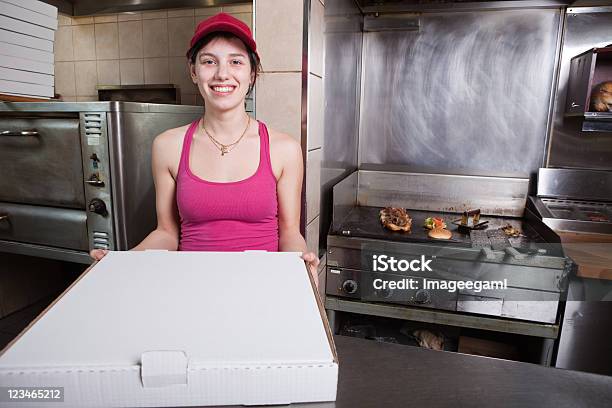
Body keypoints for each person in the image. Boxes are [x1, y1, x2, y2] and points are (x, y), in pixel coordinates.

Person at [90, 13, 320, 285]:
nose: (222, 73)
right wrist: (122, 261)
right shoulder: (168, 146)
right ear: (193, 71)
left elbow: (289, 232)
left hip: (261, 287)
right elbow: (166, 232)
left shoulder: (284, 149)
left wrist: (302, 266)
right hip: (190, 286)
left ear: (252, 73)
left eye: (236, 61)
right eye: (209, 61)